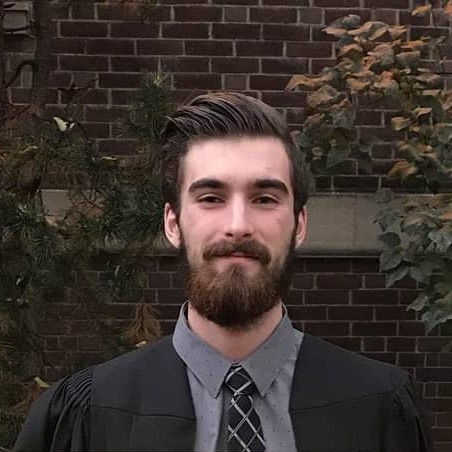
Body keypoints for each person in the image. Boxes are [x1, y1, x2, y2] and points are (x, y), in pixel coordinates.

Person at [14, 92, 432, 452]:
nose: (238, 224)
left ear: (299, 225)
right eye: (211, 197)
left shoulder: (380, 406)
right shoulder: (87, 416)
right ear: (173, 223)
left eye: (265, 198)